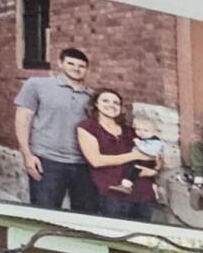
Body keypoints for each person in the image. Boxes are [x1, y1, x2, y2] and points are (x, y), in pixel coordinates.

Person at [11, 45, 99, 215]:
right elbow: (23, 119)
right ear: (60, 63)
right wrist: (27, 155)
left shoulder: (93, 97)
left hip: (83, 165)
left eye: (81, 66)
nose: (76, 69)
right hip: (47, 161)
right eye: (71, 64)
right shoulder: (37, 85)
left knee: (86, 217)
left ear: (87, 69)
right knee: (45, 215)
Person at [76, 87, 163, 219]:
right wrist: (134, 156)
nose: (111, 105)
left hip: (144, 192)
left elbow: (156, 155)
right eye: (105, 101)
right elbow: (96, 161)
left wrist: (155, 169)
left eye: (116, 103)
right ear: (96, 104)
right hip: (112, 192)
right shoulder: (87, 127)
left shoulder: (131, 131)